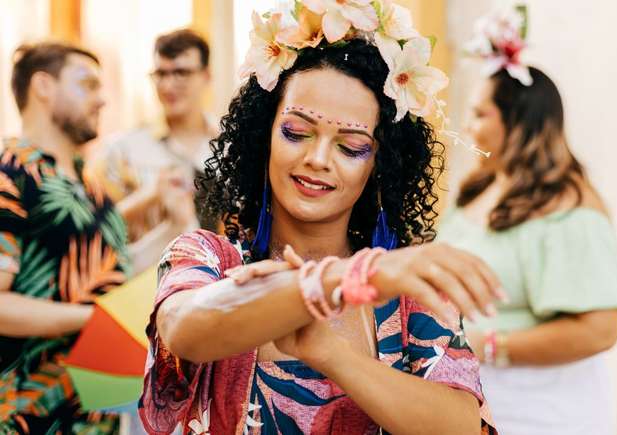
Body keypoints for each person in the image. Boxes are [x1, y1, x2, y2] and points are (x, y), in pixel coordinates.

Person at [139, 2, 500, 434]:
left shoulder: (405, 291)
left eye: (350, 147)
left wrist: (330, 352)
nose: (317, 159)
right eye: (296, 132)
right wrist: (339, 281)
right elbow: (184, 330)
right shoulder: (208, 257)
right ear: (263, 136)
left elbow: (461, 426)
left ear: (379, 167)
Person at [435, 7, 617, 435]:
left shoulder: (569, 207)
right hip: (475, 399)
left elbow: (600, 329)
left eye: (481, 114)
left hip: (543, 409)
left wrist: (486, 346)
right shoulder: (478, 189)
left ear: (520, 122)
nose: (468, 126)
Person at [0, 42, 130, 434]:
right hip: (29, 416)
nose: (101, 99)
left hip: (98, 413)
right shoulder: (10, 174)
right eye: (87, 85)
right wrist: (96, 319)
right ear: (43, 86)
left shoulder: (93, 186)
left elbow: (109, 272)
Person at [91, 29, 218, 274]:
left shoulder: (230, 146)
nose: (168, 85)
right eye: (161, 74)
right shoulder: (122, 150)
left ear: (206, 76)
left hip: (222, 287)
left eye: (181, 73)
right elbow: (91, 232)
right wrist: (148, 197)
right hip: (144, 290)